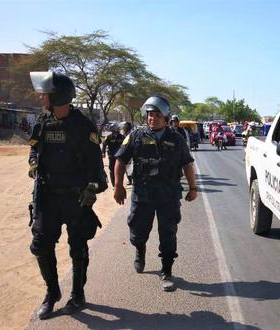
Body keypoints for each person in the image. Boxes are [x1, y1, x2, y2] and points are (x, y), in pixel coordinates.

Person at [27, 71, 108, 319]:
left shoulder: (84, 127)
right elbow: (33, 149)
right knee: (40, 246)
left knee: (78, 249)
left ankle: (77, 295)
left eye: (46, 94)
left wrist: (90, 191)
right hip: (47, 198)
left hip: (75, 199)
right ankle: (52, 294)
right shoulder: (42, 122)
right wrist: (32, 164)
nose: (41, 97)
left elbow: (96, 168)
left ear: (57, 97)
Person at [113, 95, 198, 291]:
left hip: (168, 196)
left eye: (157, 115)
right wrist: (118, 186)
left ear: (166, 118)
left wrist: (193, 188)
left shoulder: (176, 138)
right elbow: (120, 160)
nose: (153, 118)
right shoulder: (135, 136)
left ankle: (166, 271)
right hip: (142, 195)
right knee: (138, 231)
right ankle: (140, 251)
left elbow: (187, 164)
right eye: (150, 115)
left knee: (168, 233)